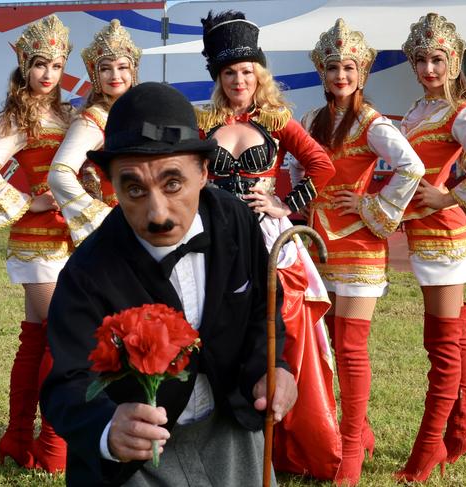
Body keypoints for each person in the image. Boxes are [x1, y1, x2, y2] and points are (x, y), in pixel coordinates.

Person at [39, 82, 298, 487]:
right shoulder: (88, 272)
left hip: (231, 430)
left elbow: (263, 310)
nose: (157, 214)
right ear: (113, 186)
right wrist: (109, 429)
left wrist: (274, 367)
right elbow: (65, 384)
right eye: (135, 189)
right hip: (136, 462)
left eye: (172, 183)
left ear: (203, 172)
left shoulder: (238, 222)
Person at [196, 10, 342, 480]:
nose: (239, 80)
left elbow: (322, 167)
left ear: (259, 74)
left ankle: (292, 441)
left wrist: (285, 204)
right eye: (229, 73)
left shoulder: (277, 118)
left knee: (282, 329)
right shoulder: (203, 121)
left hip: (266, 235)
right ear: (218, 77)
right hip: (215, 233)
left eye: (247, 71)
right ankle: (220, 428)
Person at [299, 18, 425, 486]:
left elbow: (410, 167)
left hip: (359, 245)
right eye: (332, 67)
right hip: (319, 246)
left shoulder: (371, 121)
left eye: (348, 68)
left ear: (362, 73)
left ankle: (350, 455)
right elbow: (297, 169)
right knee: (329, 347)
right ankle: (357, 434)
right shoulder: (314, 119)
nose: (340, 76)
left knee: (351, 350)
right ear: (322, 72)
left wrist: (370, 202)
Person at [395, 13, 466, 482]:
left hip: (444, 239)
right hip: (427, 238)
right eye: (420, 59)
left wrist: (448, 194)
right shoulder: (419, 112)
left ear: (454, 61)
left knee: (442, 347)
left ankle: (428, 452)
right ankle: (461, 432)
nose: (428, 69)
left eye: (437, 59)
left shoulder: (459, 114)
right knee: (454, 337)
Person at [0, 14, 71, 472]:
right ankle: (51, 446)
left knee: (36, 340)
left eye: (56, 64)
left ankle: (15, 438)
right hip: (37, 243)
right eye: (40, 64)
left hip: (70, 241)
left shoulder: (70, 113)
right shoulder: (17, 116)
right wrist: (30, 203)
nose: (47, 73)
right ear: (25, 66)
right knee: (63, 338)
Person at [48, 19, 141, 245]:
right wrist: (100, 217)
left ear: (133, 71)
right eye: (105, 68)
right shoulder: (92, 120)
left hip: (143, 219)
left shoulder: (138, 112)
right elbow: (59, 173)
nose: (115, 75)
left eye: (122, 67)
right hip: (119, 228)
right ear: (95, 75)